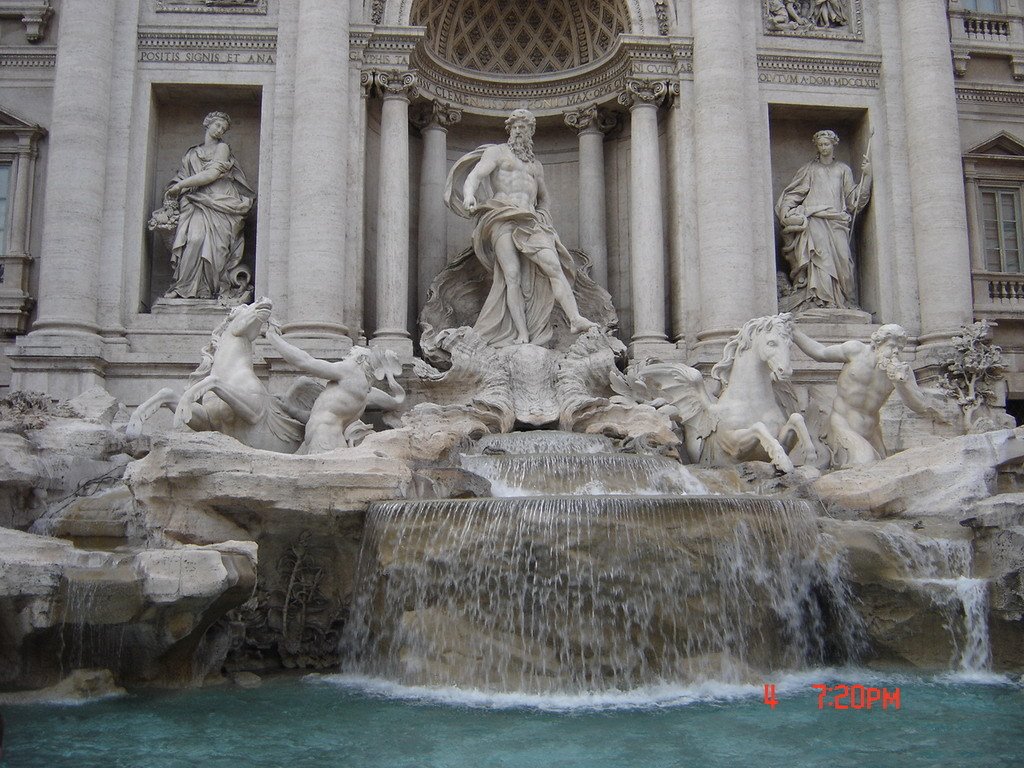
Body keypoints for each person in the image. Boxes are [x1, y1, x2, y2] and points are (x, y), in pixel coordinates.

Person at [444, 108, 598, 347]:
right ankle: (522, 334)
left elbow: (544, 197)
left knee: (554, 267)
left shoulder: (535, 166)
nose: (518, 131)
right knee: (511, 275)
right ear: (509, 130)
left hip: (530, 220)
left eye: (523, 127)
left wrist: (544, 216)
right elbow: (475, 175)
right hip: (501, 217)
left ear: (530, 132)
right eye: (515, 127)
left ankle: (575, 318)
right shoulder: (497, 153)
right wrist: (469, 196)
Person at [792, 324, 948, 468]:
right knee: (865, 463)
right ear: (877, 344)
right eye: (892, 346)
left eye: (900, 349)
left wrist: (901, 384)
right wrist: (795, 332)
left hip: (872, 432)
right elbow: (820, 353)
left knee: (883, 471)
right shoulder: (855, 351)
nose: (895, 352)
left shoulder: (901, 371)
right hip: (842, 424)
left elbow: (919, 406)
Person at [264, 323, 405, 454]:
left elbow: (305, 361)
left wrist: (274, 339)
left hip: (324, 440)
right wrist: (291, 410)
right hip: (327, 440)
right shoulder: (361, 394)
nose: (345, 359)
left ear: (360, 359)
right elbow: (319, 416)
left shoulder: (352, 370)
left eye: (350, 355)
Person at [159, 111, 255, 300]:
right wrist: (175, 188)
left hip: (220, 201)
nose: (220, 130)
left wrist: (180, 186)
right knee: (194, 239)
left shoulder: (222, 148)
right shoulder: (192, 153)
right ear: (207, 124)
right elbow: (182, 176)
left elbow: (210, 175)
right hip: (196, 202)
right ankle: (183, 287)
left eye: (223, 128)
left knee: (217, 248)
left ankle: (209, 289)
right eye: (217, 125)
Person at [775, 129, 871, 310]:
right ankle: (820, 300)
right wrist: (786, 211)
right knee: (820, 260)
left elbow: (853, 202)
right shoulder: (810, 169)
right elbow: (794, 194)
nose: (823, 148)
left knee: (844, 261)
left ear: (834, 144)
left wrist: (867, 177)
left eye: (826, 144)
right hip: (815, 221)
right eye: (820, 145)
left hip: (837, 222)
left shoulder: (843, 170)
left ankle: (842, 301)